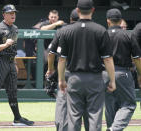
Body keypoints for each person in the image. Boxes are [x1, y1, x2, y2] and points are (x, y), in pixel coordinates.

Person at [57, 0, 116, 131]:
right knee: (95, 117)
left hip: (74, 78)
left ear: (77, 10)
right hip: (95, 79)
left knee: (74, 117)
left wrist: (61, 79)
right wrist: (112, 80)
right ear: (93, 10)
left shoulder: (66, 31)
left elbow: (61, 60)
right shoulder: (100, 30)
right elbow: (108, 59)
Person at [104, 8, 141, 131]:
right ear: (120, 21)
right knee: (129, 105)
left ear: (108, 21)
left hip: (104, 74)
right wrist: (140, 74)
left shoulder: (101, 35)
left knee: (110, 106)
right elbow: (137, 58)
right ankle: (114, 129)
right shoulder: (128, 34)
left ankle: (111, 127)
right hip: (122, 73)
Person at [46, 9, 79, 131]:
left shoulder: (63, 31)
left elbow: (51, 53)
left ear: (70, 19)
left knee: (63, 107)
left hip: (67, 73)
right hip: (87, 75)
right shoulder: (94, 30)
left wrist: (50, 70)